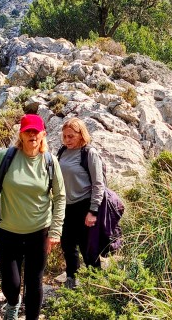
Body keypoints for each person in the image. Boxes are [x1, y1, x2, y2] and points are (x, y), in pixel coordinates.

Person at [0, 114, 65, 320]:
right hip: (8, 231)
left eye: (36, 131)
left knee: (34, 281)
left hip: (39, 231)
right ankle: (13, 303)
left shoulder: (50, 162)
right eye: (28, 131)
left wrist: (56, 230)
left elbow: (60, 197)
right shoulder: (5, 157)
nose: (32, 134)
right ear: (21, 134)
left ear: (43, 134)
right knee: (11, 284)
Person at [57, 118, 106, 290]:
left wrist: (93, 211)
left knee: (88, 248)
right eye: (64, 136)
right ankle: (72, 282)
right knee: (68, 246)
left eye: (71, 136)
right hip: (65, 206)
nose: (67, 140)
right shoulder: (62, 151)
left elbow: (98, 184)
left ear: (81, 135)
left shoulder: (89, 153)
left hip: (85, 206)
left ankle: (97, 284)